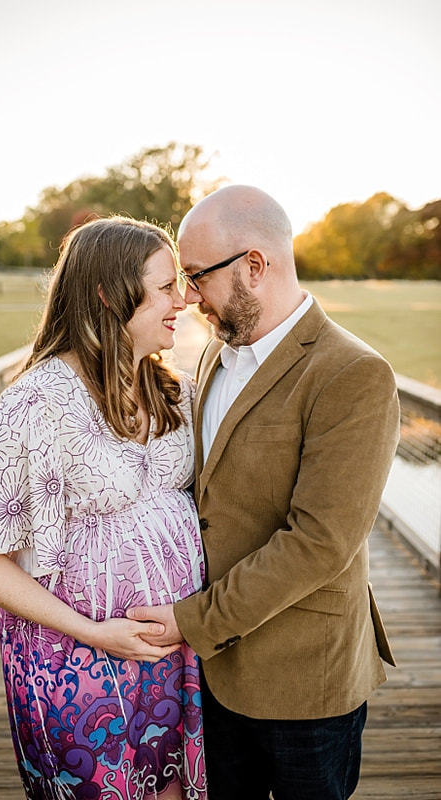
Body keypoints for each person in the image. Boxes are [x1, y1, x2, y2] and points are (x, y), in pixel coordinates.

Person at [127, 185, 400, 800]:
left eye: (197, 276)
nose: (189, 297)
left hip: (306, 681)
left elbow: (320, 542)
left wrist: (189, 621)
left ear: (255, 265)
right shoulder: (213, 359)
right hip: (212, 676)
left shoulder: (352, 373)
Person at [0, 216, 208, 799]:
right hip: (77, 664)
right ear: (107, 292)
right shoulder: (36, 402)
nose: (184, 298)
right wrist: (95, 633)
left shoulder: (171, 389)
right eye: (167, 286)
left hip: (174, 657)